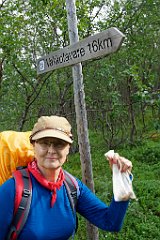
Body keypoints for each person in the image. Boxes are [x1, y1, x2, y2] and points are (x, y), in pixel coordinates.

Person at [0, 115, 133, 240]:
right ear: (33, 146)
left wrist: (122, 180)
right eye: (44, 143)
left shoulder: (72, 187)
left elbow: (110, 222)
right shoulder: (12, 190)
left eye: (59, 144)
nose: (51, 150)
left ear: (68, 148)